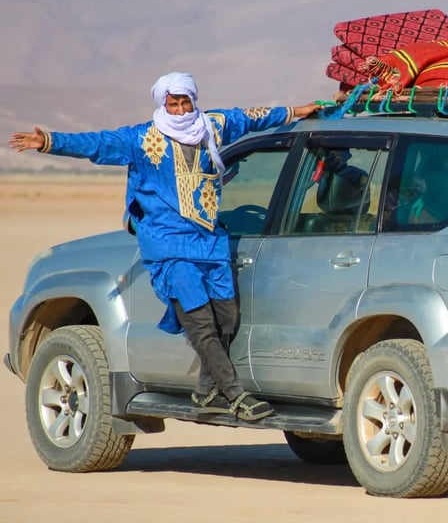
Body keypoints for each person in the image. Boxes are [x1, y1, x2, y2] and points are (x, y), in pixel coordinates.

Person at [8, 72, 323, 421]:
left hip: (209, 242)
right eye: (172, 103)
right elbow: (97, 144)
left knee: (227, 318)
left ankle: (206, 391)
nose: (178, 109)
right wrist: (49, 141)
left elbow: (251, 117)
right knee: (199, 321)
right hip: (168, 244)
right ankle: (235, 396)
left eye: (184, 101)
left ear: (193, 100)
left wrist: (299, 110)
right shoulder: (143, 139)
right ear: (162, 103)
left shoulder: (211, 127)